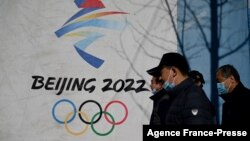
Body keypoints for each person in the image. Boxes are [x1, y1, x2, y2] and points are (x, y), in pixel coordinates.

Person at [148, 52, 215, 125]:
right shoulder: (179, 95)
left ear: (173, 72)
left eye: (162, 73)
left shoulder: (193, 96)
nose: (160, 78)